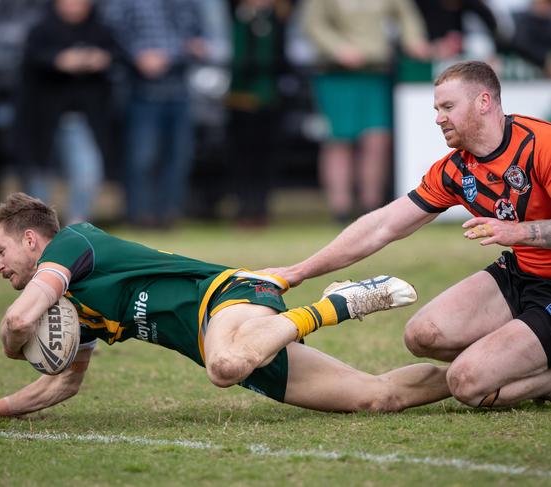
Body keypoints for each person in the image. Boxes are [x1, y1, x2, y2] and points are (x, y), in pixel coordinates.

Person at [0, 193, 450, 423]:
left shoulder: (73, 244)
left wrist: (13, 347)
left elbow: (18, 322)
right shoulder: (74, 309)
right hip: (230, 336)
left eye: (0, 250)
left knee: (224, 367)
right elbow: (61, 383)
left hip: (229, 297)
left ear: (33, 240)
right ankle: (491, 374)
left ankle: (335, 305)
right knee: (377, 399)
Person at [266, 60, 551, 408]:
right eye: (436, 108)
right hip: (522, 273)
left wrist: (520, 231)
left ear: (484, 102)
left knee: (467, 385)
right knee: (422, 335)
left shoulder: (541, 144)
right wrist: (298, 272)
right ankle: (515, 359)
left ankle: (509, 369)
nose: (438, 118)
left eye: (448, 107)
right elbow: (381, 226)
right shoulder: (456, 170)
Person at [301, 0, 430, 222]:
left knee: (377, 140)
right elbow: (313, 24)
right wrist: (338, 48)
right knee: (339, 140)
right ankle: (340, 209)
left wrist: (414, 41)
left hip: (375, 71)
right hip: (336, 74)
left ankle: (372, 209)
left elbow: (406, 15)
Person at [102, 0, 206, 229]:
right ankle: (139, 215)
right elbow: (112, 31)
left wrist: (179, 51)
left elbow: (198, 38)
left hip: (180, 89)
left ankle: (169, 214)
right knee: (142, 157)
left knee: (179, 156)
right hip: (141, 91)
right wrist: (137, 55)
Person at [14, 0, 116, 224]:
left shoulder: (100, 30)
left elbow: (117, 57)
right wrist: (58, 61)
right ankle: (38, 233)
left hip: (81, 119)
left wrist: (99, 60)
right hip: (41, 122)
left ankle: (76, 230)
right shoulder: (41, 31)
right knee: (39, 180)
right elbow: (33, 62)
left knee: (88, 174)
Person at [225, 0, 292, 227]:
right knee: (242, 159)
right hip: (240, 100)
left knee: (265, 159)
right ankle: (243, 208)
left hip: (269, 100)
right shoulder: (235, 18)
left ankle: (260, 209)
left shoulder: (278, 19)